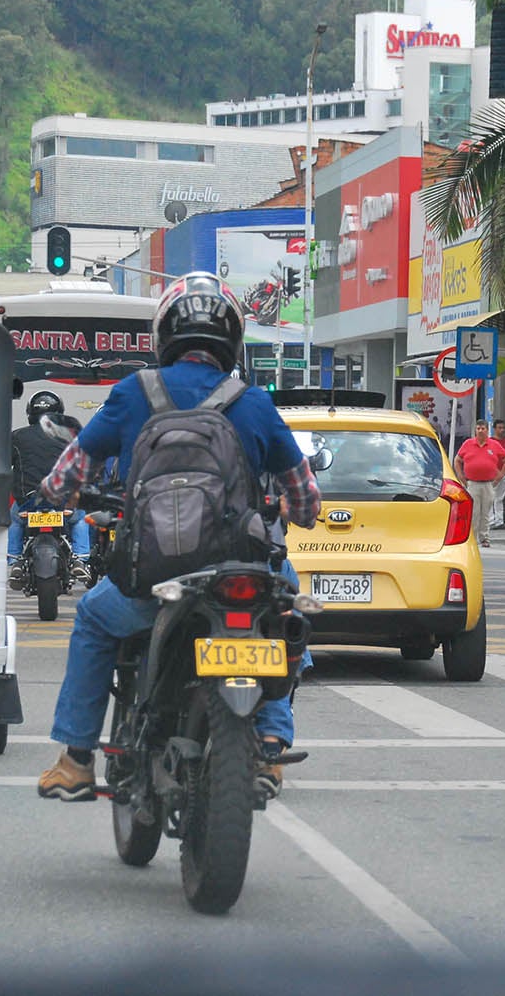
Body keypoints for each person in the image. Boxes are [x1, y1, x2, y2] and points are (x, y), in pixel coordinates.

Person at [34, 272, 322, 801]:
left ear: (164, 336)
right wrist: (288, 508)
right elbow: (304, 500)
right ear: (232, 341)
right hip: (241, 575)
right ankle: (273, 743)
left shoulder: (131, 393)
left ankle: (76, 758)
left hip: (153, 581)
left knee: (95, 618)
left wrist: (62, 495)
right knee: (283, 617)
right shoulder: (254, 403)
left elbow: (66, 477)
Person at [8, 391, 91, 575]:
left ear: (30, 413)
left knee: (15, 520)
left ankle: (14, 560)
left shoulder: (17, 437)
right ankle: (80, 558)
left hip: (28, 501)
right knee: (80, 518)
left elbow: (6, 464)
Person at [452, 418, 505, 548]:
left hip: (488, 484)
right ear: (475, 430)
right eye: (478, 428)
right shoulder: (468, 444)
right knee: (474, 512)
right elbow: (457, 460)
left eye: (483, 428)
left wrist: (500, 475)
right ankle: (472, 538)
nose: (480, 431)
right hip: (472, 483)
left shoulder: (494, 445)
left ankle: (484, 537)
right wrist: (460, 476)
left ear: (487, 430)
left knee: (486, 512)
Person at [489, 419, 505, 529]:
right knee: (491, 496)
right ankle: (491, 520)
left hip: (504, 473)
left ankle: (499, 520)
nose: (502, 430)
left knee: (499, 497)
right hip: (493, 473)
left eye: (503, 428)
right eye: (499, 428)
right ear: (494, 429)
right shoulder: (490, 442)